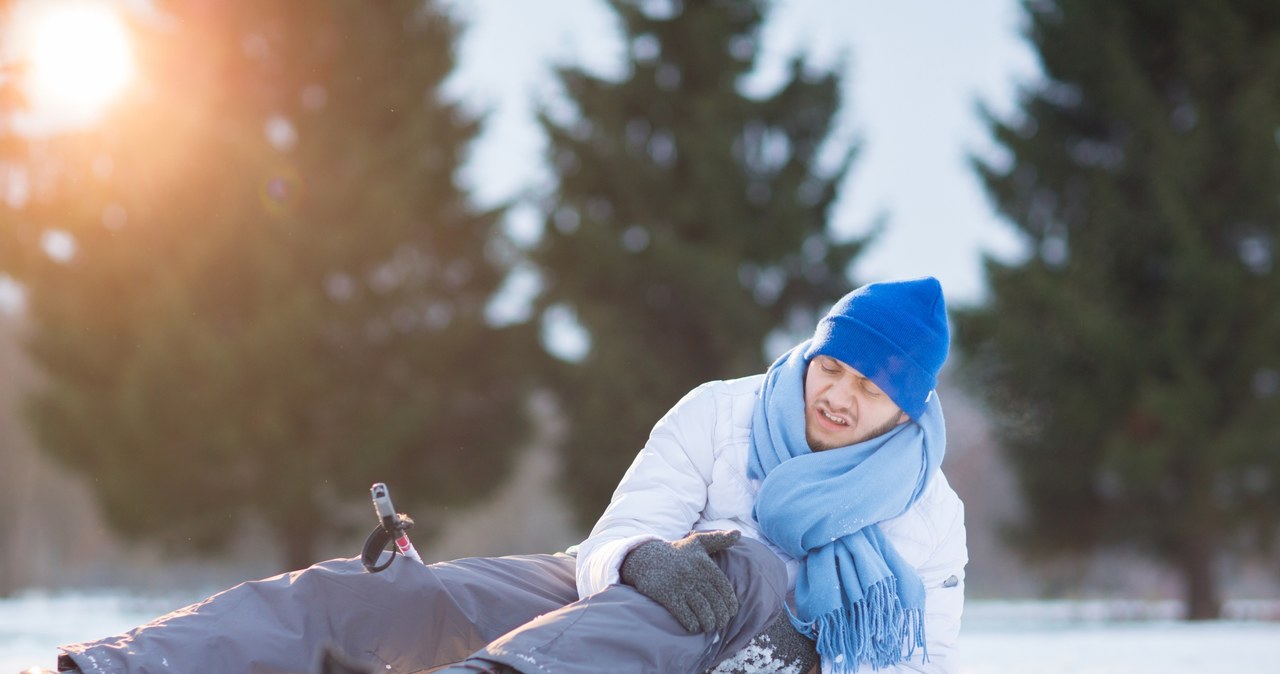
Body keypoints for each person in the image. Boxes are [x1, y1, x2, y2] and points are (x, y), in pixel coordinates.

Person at [52, 276, 966, 674]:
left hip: (771, 657)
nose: (840, 397)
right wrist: (643, 562)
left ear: (908, 408)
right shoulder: (722, 413)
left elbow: (920, 660)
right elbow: (619, 537)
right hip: (612, 613)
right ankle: (125, 667)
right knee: (417, 598)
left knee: (747, 564)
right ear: (814, 355)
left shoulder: (928, 514)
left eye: (871, 390)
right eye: (833, 369)